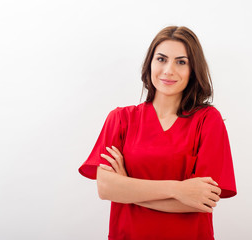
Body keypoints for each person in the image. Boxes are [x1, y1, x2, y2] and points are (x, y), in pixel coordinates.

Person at [78, 25, 237, 240]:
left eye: (181, 62)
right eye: (161, 59)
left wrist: (127, 187)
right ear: (150, 63)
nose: (169, 70)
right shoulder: (121, 119)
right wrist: (178, 190)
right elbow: (106, 188)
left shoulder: (208, 120)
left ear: (193, 70)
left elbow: (203, 201)